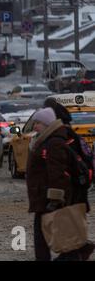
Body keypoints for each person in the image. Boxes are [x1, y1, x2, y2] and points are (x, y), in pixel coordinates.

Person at [26, 108, 88, 261]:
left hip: (48, 197)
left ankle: (78, 253)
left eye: (38, 123)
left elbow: (57, 172)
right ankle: (78, 252)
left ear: (47, 123)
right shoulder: (46, 140)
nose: (35, 127)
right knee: (51, 235)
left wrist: (55, 198)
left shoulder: (54, 143)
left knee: (53, 236)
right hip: (44, 195)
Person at [43, 98, 95, 260]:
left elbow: (64, 166)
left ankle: (76, 252)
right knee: (72, 225)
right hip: (75, 188)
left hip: (71, 189)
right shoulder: (70, 135)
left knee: (68, 226)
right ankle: (78, 250)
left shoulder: (62, 138)